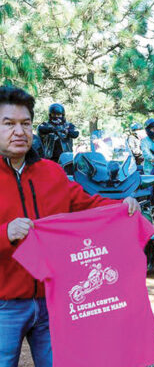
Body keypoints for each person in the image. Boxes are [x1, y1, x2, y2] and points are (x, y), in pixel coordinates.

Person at [0, 86, 140, 367]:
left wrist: (122, 206)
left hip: (56, 300)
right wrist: (6, 232)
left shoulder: (52, 173)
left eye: (25, 123)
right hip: (5, 304)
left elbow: (86, 205)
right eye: (8, 124)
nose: (19, 131)